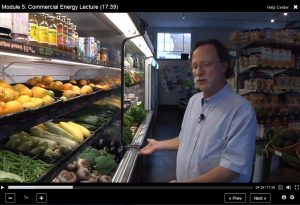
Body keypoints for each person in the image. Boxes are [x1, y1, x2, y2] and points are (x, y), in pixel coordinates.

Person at [139, 39, 257, 183]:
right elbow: (186, 139)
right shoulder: (194, 101)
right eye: (195, 66)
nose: (199, 72)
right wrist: (159, 145)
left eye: (206, 65)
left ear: (224, 66)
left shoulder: (241, 110)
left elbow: (231, 170)